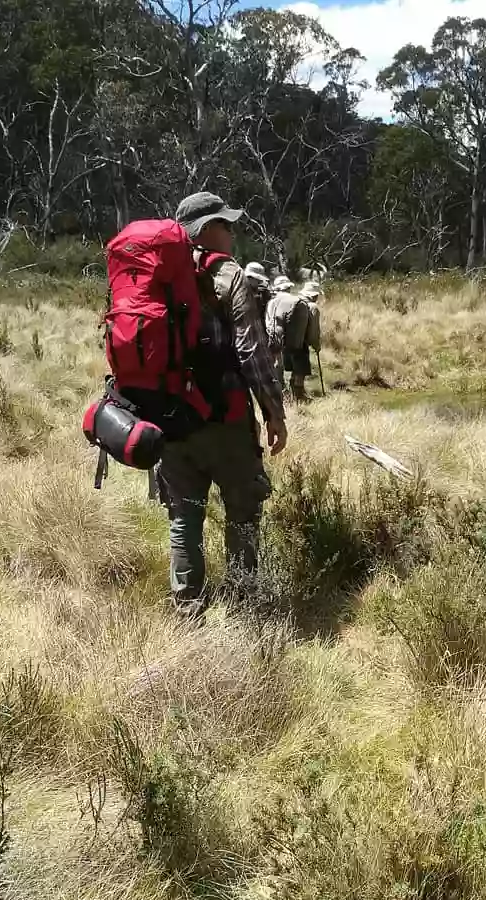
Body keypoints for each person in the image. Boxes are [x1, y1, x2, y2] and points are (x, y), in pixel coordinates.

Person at [157, 191, 288, 612]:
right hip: (225, 420)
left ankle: (188, 610)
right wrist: (274, 412)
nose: (232, 233)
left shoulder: (156, 275)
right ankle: (244, 606)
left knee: (184, 517)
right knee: (243, 513)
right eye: (225, 225)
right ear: (207, 230)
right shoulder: (231, 276)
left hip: (170, 421)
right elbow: (252, 352)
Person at [266, 275, 310, 401]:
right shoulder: (299, 302)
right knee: (300, 355)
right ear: (288, 288)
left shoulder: (271, 303)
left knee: (277, 363)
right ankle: (297, 391)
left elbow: (269, 324)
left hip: (275, 339)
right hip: (294, 340)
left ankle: (280, 391)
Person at [299, 281, 322, 391]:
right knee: (300, 370)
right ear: (314, 295)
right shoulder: (313, 307)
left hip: (287, 340)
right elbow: (314, 330)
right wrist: (316, 345)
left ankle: (291, 395)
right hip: (302, 342)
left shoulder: (296, 301)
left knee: (293, 369)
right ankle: (299, 397)